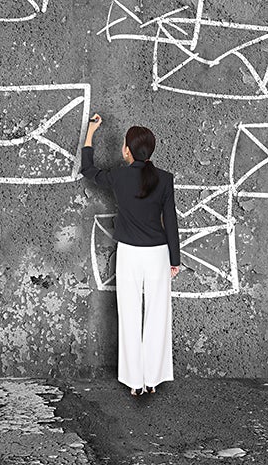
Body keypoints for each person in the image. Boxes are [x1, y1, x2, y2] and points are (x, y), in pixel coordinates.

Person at [80, 114, 180, 397]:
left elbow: (87, 168)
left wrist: (91, 132)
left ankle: (135, 382)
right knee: (158, 316)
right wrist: (175, 259)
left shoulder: (119, 177)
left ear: (127, 150)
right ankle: (152, 380)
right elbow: (170, 221)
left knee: (129, 314)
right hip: (159, 254)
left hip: (129, 255)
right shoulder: (165, 179)